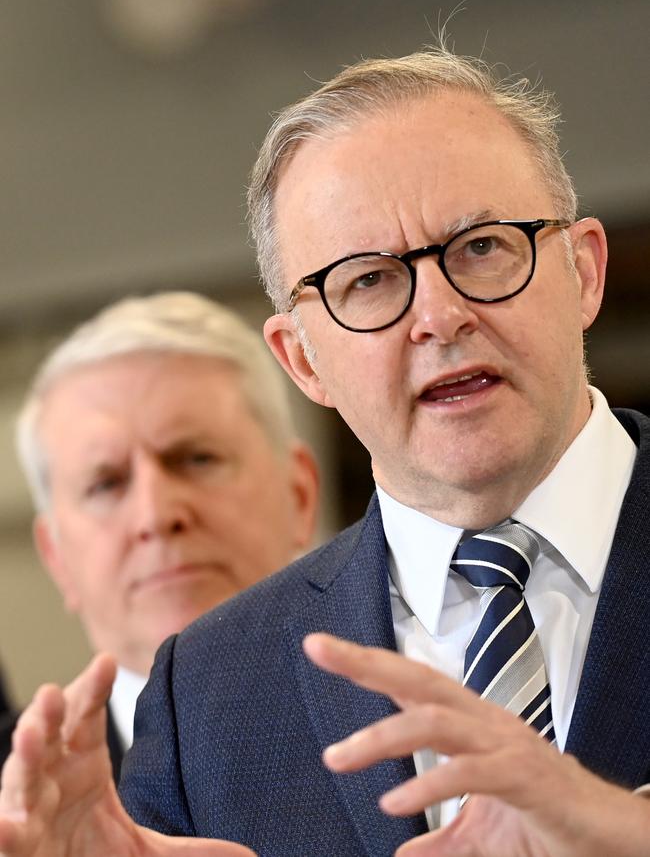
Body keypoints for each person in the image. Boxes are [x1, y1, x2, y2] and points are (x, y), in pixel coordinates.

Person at [1, 45, 649, 857]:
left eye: (482, 246)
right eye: (368, 280)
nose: (439, 316)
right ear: (303, 358)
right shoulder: (205, 692)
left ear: (584, 272)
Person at [0, 291, 319, 781]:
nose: (155, 514)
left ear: (299, 494)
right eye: (106, 483)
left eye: (195, 458)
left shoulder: (437, 730)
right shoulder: (15, 800)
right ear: (56, 556)